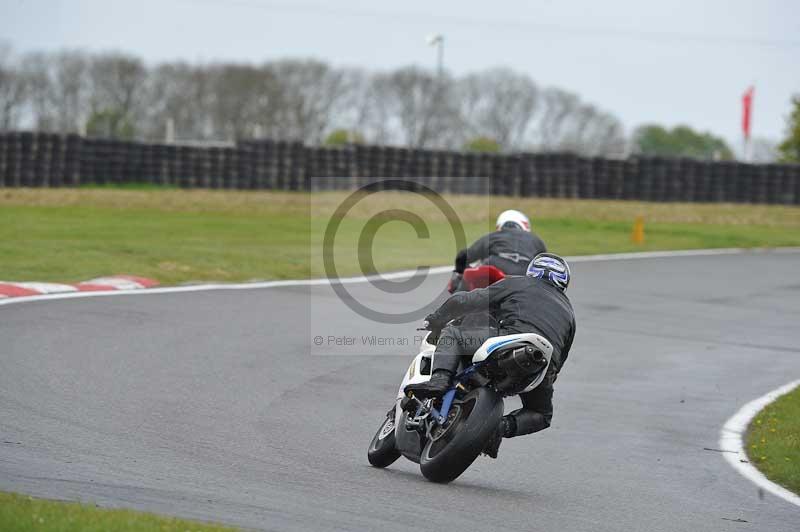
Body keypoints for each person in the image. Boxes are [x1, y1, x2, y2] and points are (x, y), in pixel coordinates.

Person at [405, 253, 576, 458]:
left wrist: (436, 319)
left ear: (533, 270)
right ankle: (499, 429)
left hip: (510, 339)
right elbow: (561, 360)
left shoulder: (520, 283)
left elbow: (467, 300)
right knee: (541, 414)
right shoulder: (569, 312)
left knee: (453, 335)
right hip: (541, 364)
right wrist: (546, 379)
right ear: (563, 281)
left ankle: (439, 381)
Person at [454, 209, 547, 278]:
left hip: (493, 275)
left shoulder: (492, 237)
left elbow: (463, 256)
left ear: (500, 225)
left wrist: (463, 273)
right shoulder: (536, 240)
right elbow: (546, 268)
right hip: (524, 279)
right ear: (525, 225)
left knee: (458, 282)